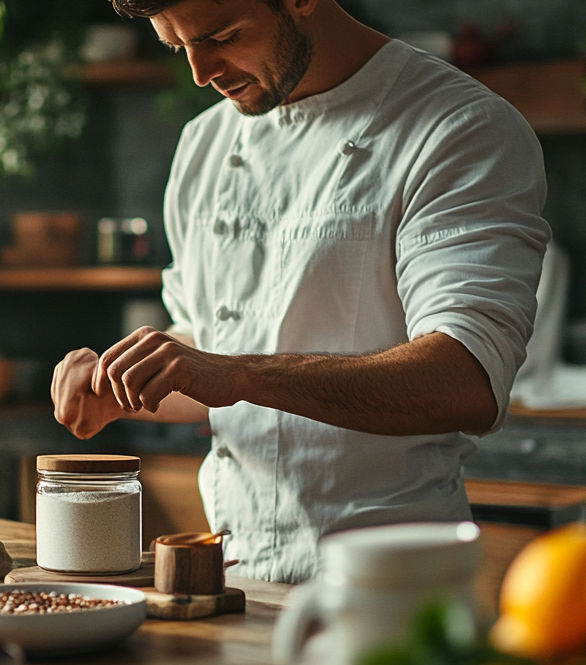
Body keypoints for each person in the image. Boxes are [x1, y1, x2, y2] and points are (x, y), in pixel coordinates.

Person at [51, 0, 550, 583]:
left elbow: (468, 378)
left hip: (392, 584)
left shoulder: (457, 126)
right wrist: (132, 381)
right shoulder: (203, 146)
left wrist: (241, 374)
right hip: (234, 573)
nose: (200, 71)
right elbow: (210, 350)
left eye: (222, 35)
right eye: (177, 46)